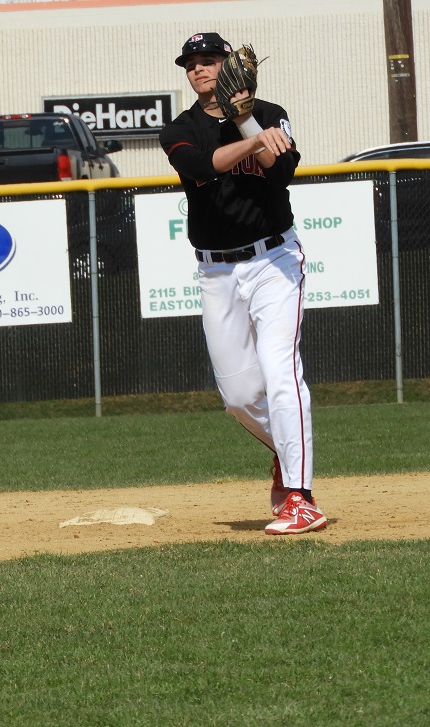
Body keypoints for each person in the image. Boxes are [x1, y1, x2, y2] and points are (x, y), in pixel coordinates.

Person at [159, 32, 327, 535]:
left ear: (231, 65)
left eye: (210, 60)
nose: (200, 69)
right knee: (236, 396)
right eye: (192, 64)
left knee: (281, 373)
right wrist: (251, 139)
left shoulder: (270, 112)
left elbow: (283, 174)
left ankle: (300, 496)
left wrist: (249, 119)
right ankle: (285, 450)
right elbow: (200, 169)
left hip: (274, 259)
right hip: (216, 269)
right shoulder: (180, 128)